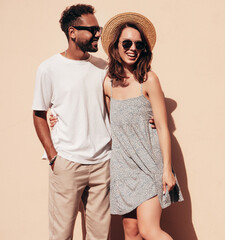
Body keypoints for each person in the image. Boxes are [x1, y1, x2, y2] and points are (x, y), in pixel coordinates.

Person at [101, 12, 184, 240]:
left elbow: (163, 127)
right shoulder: (107, 83)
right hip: (123, 169)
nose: (132, 48)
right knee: (131, 232)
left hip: (149, 166)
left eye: (138, 44)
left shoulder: (149, 79)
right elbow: (102, 119)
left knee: (149, 230)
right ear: (116, 46)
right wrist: (55, 116)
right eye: (126, 43)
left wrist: (167, 169)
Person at [32, 4, 111, 239]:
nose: (98, 34)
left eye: (99, 28)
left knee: (99, 236)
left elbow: (119, 102)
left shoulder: (103, 67)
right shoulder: (49, 69)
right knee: (61, 234)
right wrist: (53, 155)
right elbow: (38, 114)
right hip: (68, 163)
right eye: (92, 29)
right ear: (72, 32)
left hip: (102, 163)